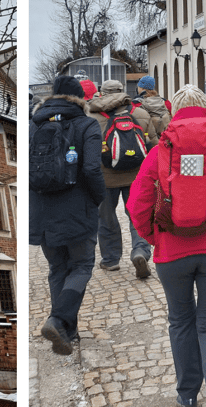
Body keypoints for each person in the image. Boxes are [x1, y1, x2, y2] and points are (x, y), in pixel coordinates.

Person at [127, 84, 206, 407]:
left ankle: (187, 396)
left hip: (172, 252)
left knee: (181, 322)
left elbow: (137, 205)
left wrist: (155, 238)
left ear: (175, 111)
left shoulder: (160, 152)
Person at [28, 75, 107, 355]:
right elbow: (92, 169)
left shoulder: (33, 125)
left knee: (57, 268)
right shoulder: (87, 125)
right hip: (77, 209)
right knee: (82, 266)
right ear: (81, 99)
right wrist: (98, 198)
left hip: (42, 212)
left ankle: (66, 331)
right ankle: (58, 320)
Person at [89, 79, 155, 279]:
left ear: (101, 93)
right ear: (123, 91)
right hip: (136, 176)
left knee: (106, 218)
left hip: (105, 178)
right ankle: (140, 250)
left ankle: (111, 260)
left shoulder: (91, 117)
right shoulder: (140, 113)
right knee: (137, 216)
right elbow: (153, 144)